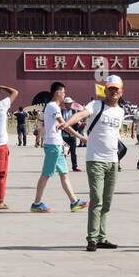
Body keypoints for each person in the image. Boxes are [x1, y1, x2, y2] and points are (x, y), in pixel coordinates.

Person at [58, 75, 125, 251]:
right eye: (110, 88)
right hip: (95, 159)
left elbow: (116, 135)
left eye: (116, 89)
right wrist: (66, 123)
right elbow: (81, 114)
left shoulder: (121, 111)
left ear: (121, 91)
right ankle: (92, 238)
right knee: (97, 199)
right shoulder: (96, 105)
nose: (113, 92)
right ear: (105, 90)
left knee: (107, 201)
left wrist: (118, 160)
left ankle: (102, 236)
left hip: (112, 161)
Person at [31, 81, 88, 213]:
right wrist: (81, 137)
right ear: (58, 93)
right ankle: (36, 203)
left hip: (56, 144)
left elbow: (55, 128)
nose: (64, 95)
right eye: (63, 92)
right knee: (46, 174)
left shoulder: (52, 107)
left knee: (64, 174)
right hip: (52, 145)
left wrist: (62, 142)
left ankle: (74, 202)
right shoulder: (53, 107)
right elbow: (65, 125)